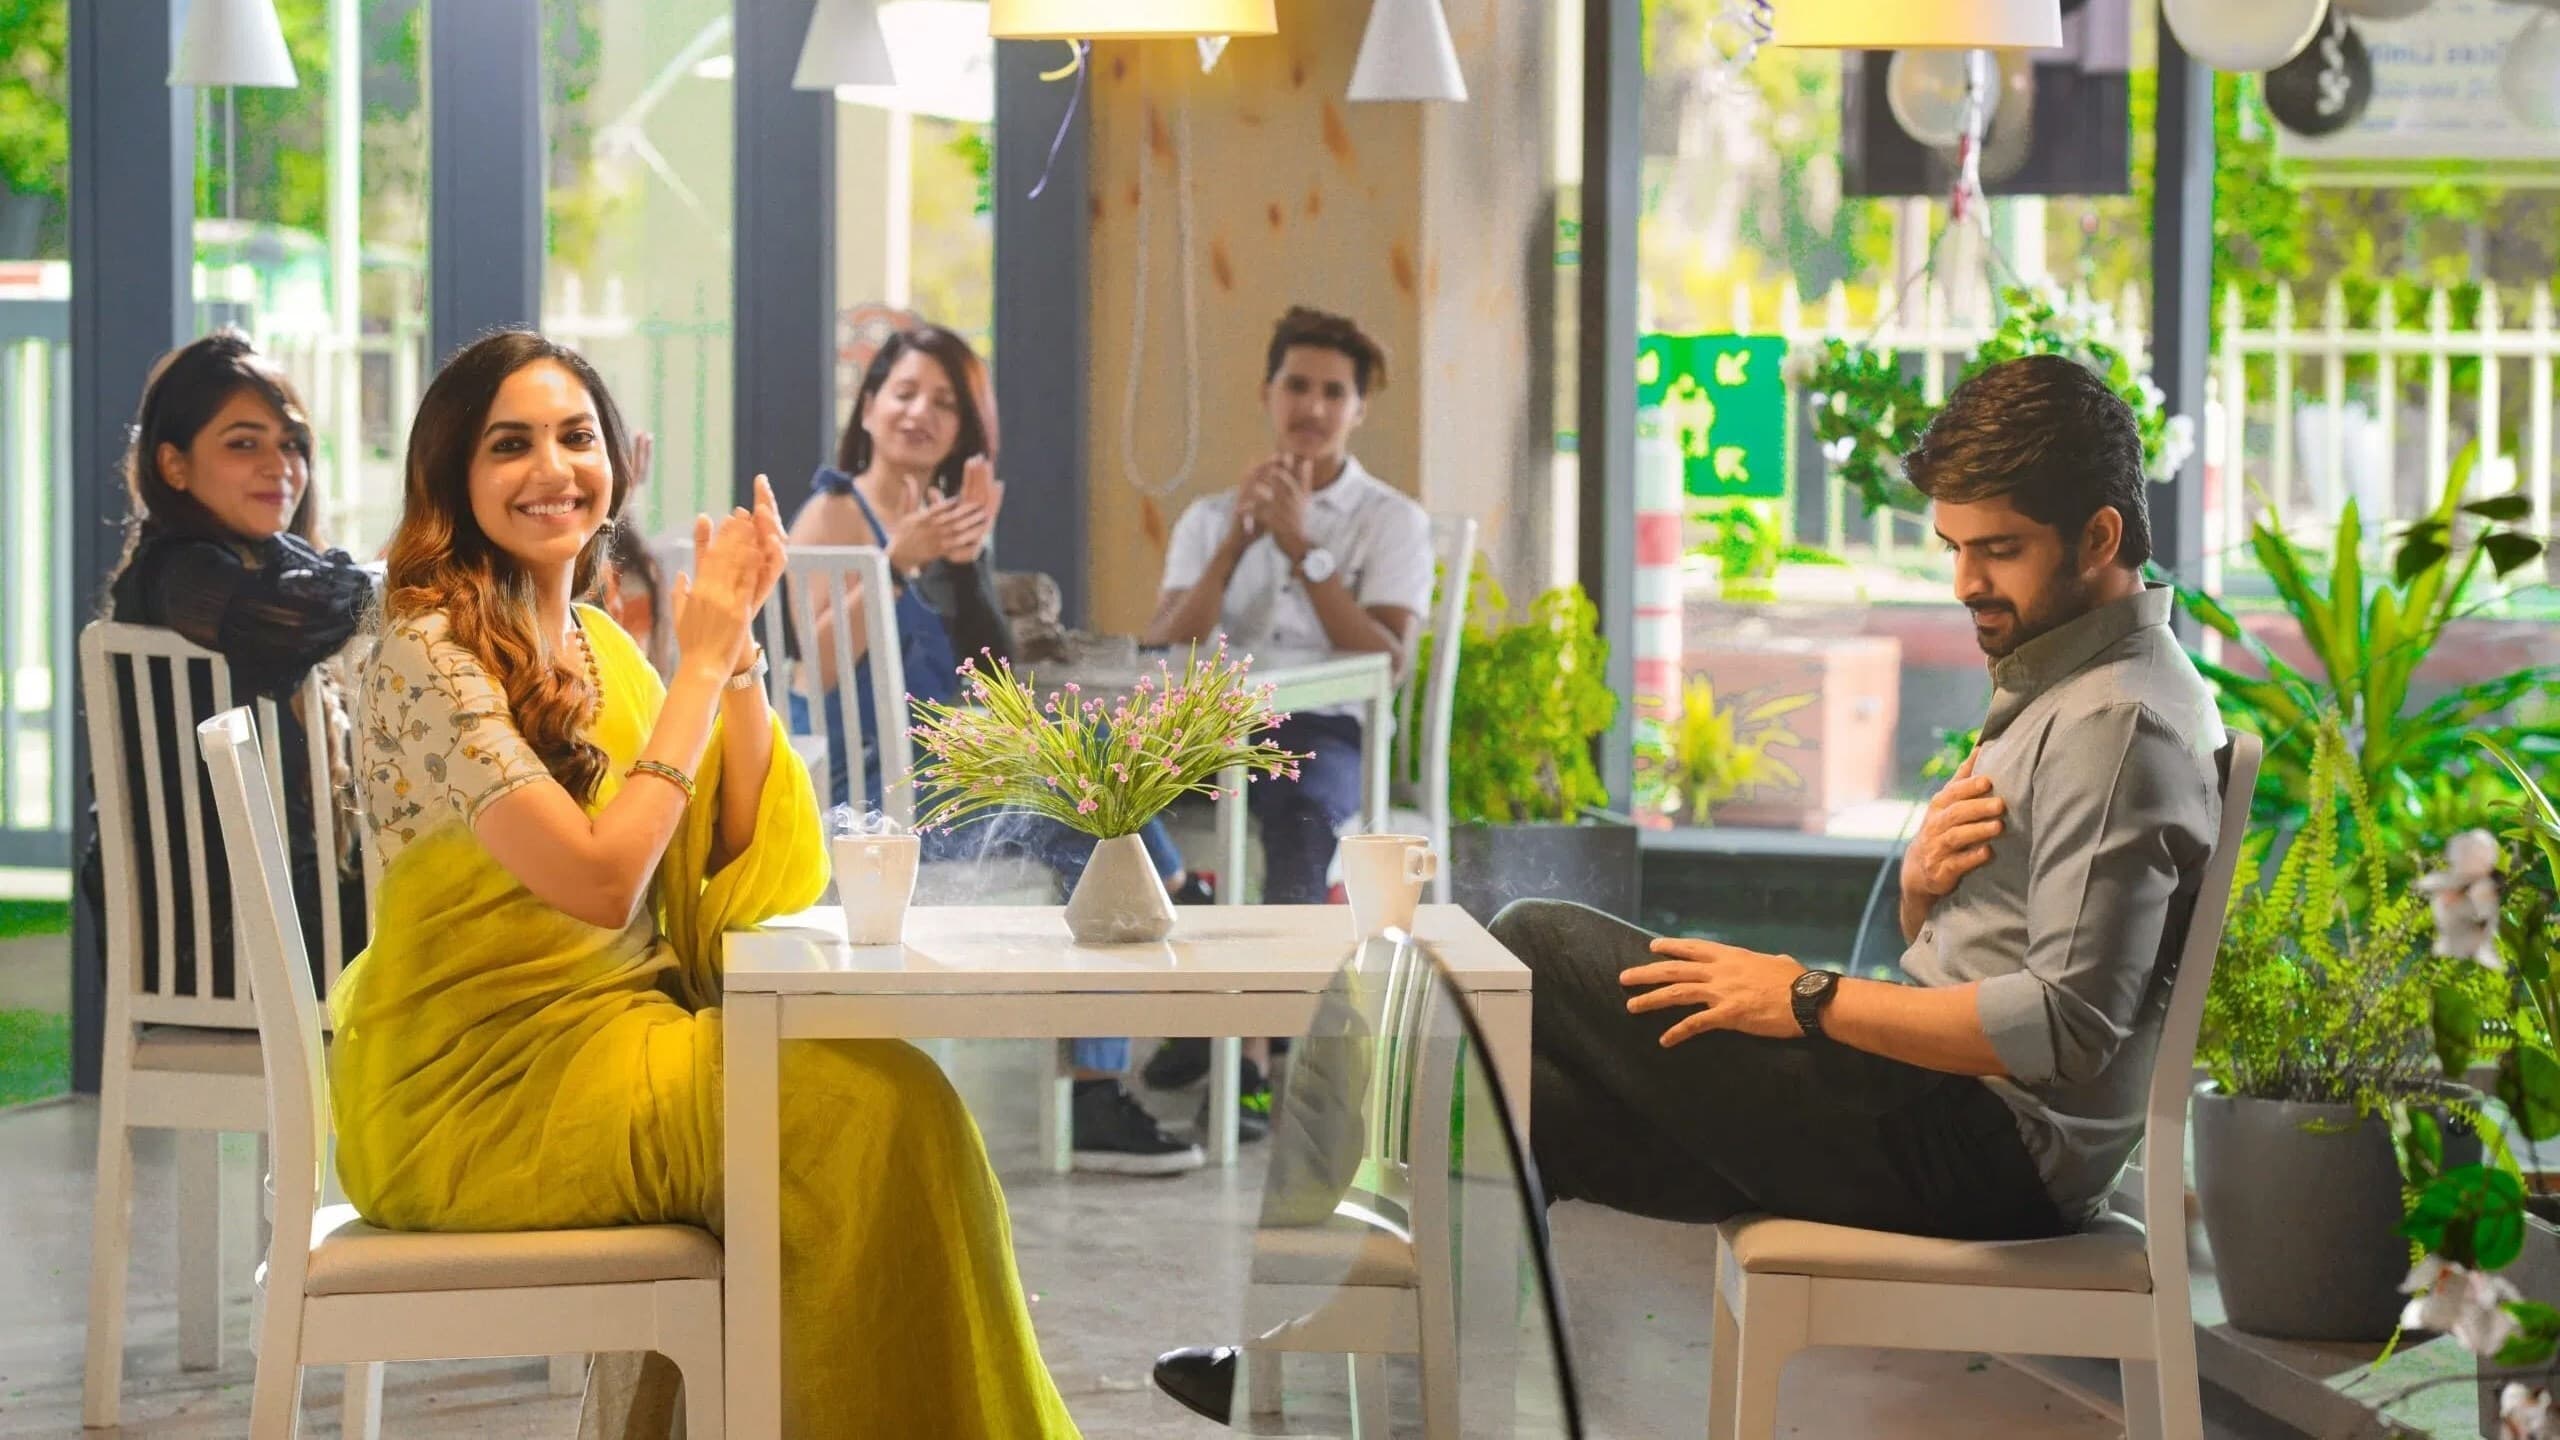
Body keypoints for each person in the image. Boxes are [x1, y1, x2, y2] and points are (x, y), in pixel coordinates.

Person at [1151, 353, 2229, 1419]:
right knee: (1513, 1107)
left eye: (1998, 551)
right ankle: (1353, 1383)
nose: (1964, 584)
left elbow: (2064, 1028)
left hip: (1980, 1154)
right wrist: (1917, 892)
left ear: (2099, 537)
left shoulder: (2115, 722)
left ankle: (1338, 1371)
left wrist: (1803, 997)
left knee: (1534, 943)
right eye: (1954, 547)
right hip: (1937, 1119)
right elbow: (2002, 959)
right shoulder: (2069, 682)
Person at [330, 330, 1079, 1437]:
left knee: (896, 1098)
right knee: (867, 1116)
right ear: (453, 474)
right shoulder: (426, 651)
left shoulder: (590, 639)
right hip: (476, 1096)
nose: (553, 469)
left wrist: (737, 662)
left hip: (612, 1048)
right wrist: (697, 663)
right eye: (511, 445)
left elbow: (724, 858)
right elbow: (601, 881)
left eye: (576, 437)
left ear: (613, 461)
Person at [788, 324, 1216, 1175]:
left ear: (965, 430)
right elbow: (814, 667)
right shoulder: (834, 512)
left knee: (1094, 790)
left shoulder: (945, 519)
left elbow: (990, 678)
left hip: (951, 775)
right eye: (904, 392)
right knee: (1090, 797)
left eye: (945, 402)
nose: (920, 412)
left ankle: (1104, 1074)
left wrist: (968, 562)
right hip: (873, 801)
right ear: (868, 407)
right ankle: (1180, 919)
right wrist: (894, 564)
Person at [1138, 305, 1435, 1131]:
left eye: (1333, 392)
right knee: (1110, 795)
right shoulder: (1210, 516)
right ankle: (1202, 1010)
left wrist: (1305, 548)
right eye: (1297, 386)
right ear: (1268, 392)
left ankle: (1255, 1058)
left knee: (1299, 820)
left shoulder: (1391, 520)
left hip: (1324, 729)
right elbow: (1162, 642)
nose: (1313, 406)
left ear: (1359, 409)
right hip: (1210, 730)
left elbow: (1386, 657)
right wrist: (1235, 545)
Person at [77, 330, 375, 999]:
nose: (280, 466)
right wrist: (411, 581)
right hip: (225, 947)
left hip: (277, 928)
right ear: (174, 466)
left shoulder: (265, 569)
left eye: (292, 444)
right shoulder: (176, 573)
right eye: (244, 444)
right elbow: (298, 612)